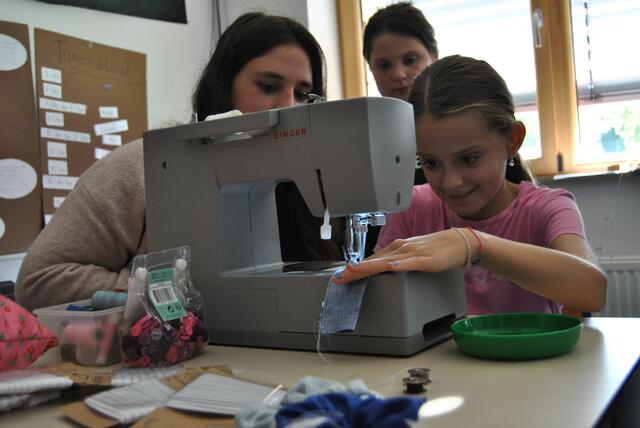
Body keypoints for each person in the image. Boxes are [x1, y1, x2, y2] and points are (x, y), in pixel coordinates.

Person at [16, 12, 342, 310]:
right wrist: (162, 292)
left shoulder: (310, 178)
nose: (289, 107)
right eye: (269, 86)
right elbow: (38, 281)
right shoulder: (140, 168)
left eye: (303, 95)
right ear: (223, 85)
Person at [334, 55, 607, 315]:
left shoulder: (548, 208)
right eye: (431, 163)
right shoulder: (413, 207)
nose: (451, 182)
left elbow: (593, 291)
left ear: (512, 140)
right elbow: (380, 298)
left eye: (469, 159)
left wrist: (474, 243)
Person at [362, 1, 438, 255]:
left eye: (410, 59)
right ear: (370, 69)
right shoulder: (361, 141)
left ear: (434, 57)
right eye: (384, 65)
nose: (399, 74)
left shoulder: (468, 126)